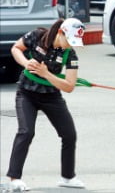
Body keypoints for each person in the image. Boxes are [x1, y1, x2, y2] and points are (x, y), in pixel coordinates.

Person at [7, 18, 86, 190]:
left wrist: (46, 74)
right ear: (60, 33)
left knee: (69, 134)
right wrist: (26, 62)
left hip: (51, 96)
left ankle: (67, 177)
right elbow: (16, 48)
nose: (70, 45)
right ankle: (14, 178)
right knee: (26, 132)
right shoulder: (37, 36)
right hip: (26, 92)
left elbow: (69, 86)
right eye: (69, 41)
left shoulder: (70, 54)